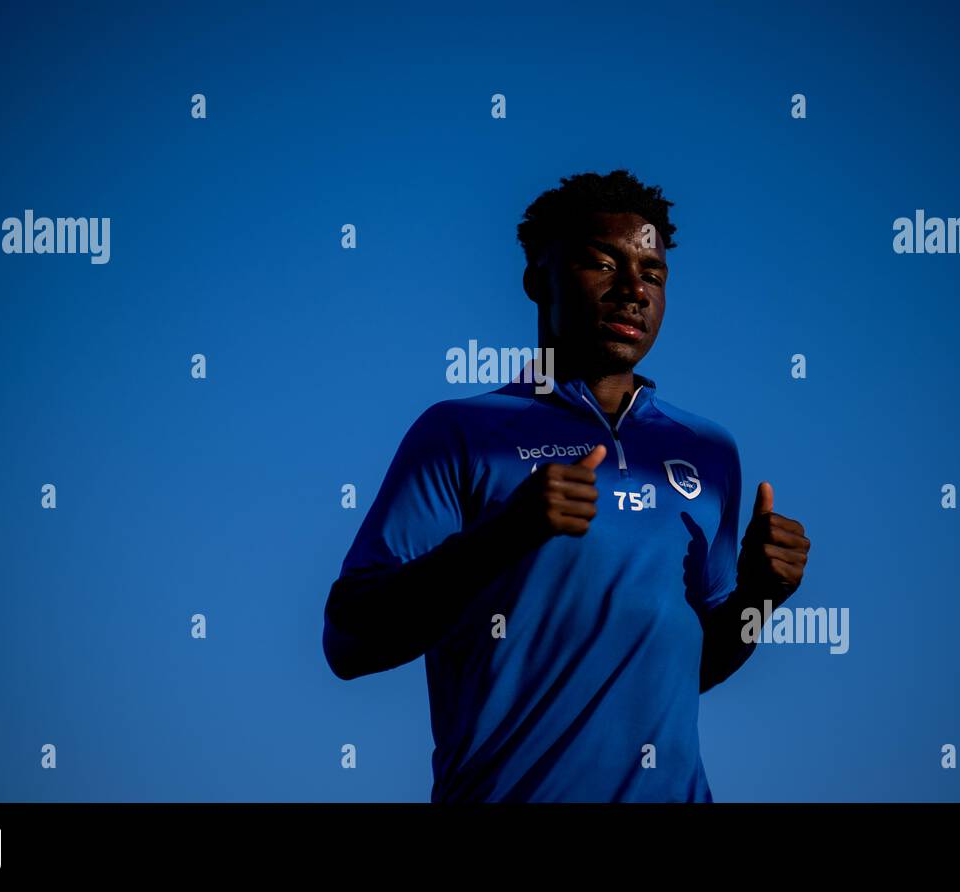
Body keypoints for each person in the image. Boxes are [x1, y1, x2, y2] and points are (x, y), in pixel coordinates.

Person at [322, 169, 811, 801]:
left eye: (653, 274)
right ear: (536, 280)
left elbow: (690, 667)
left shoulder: (709, 451)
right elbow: (349, 641)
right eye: (602, 265)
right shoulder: (462, 431)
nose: (633, 290)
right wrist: (504, 535)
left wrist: (762, 598)